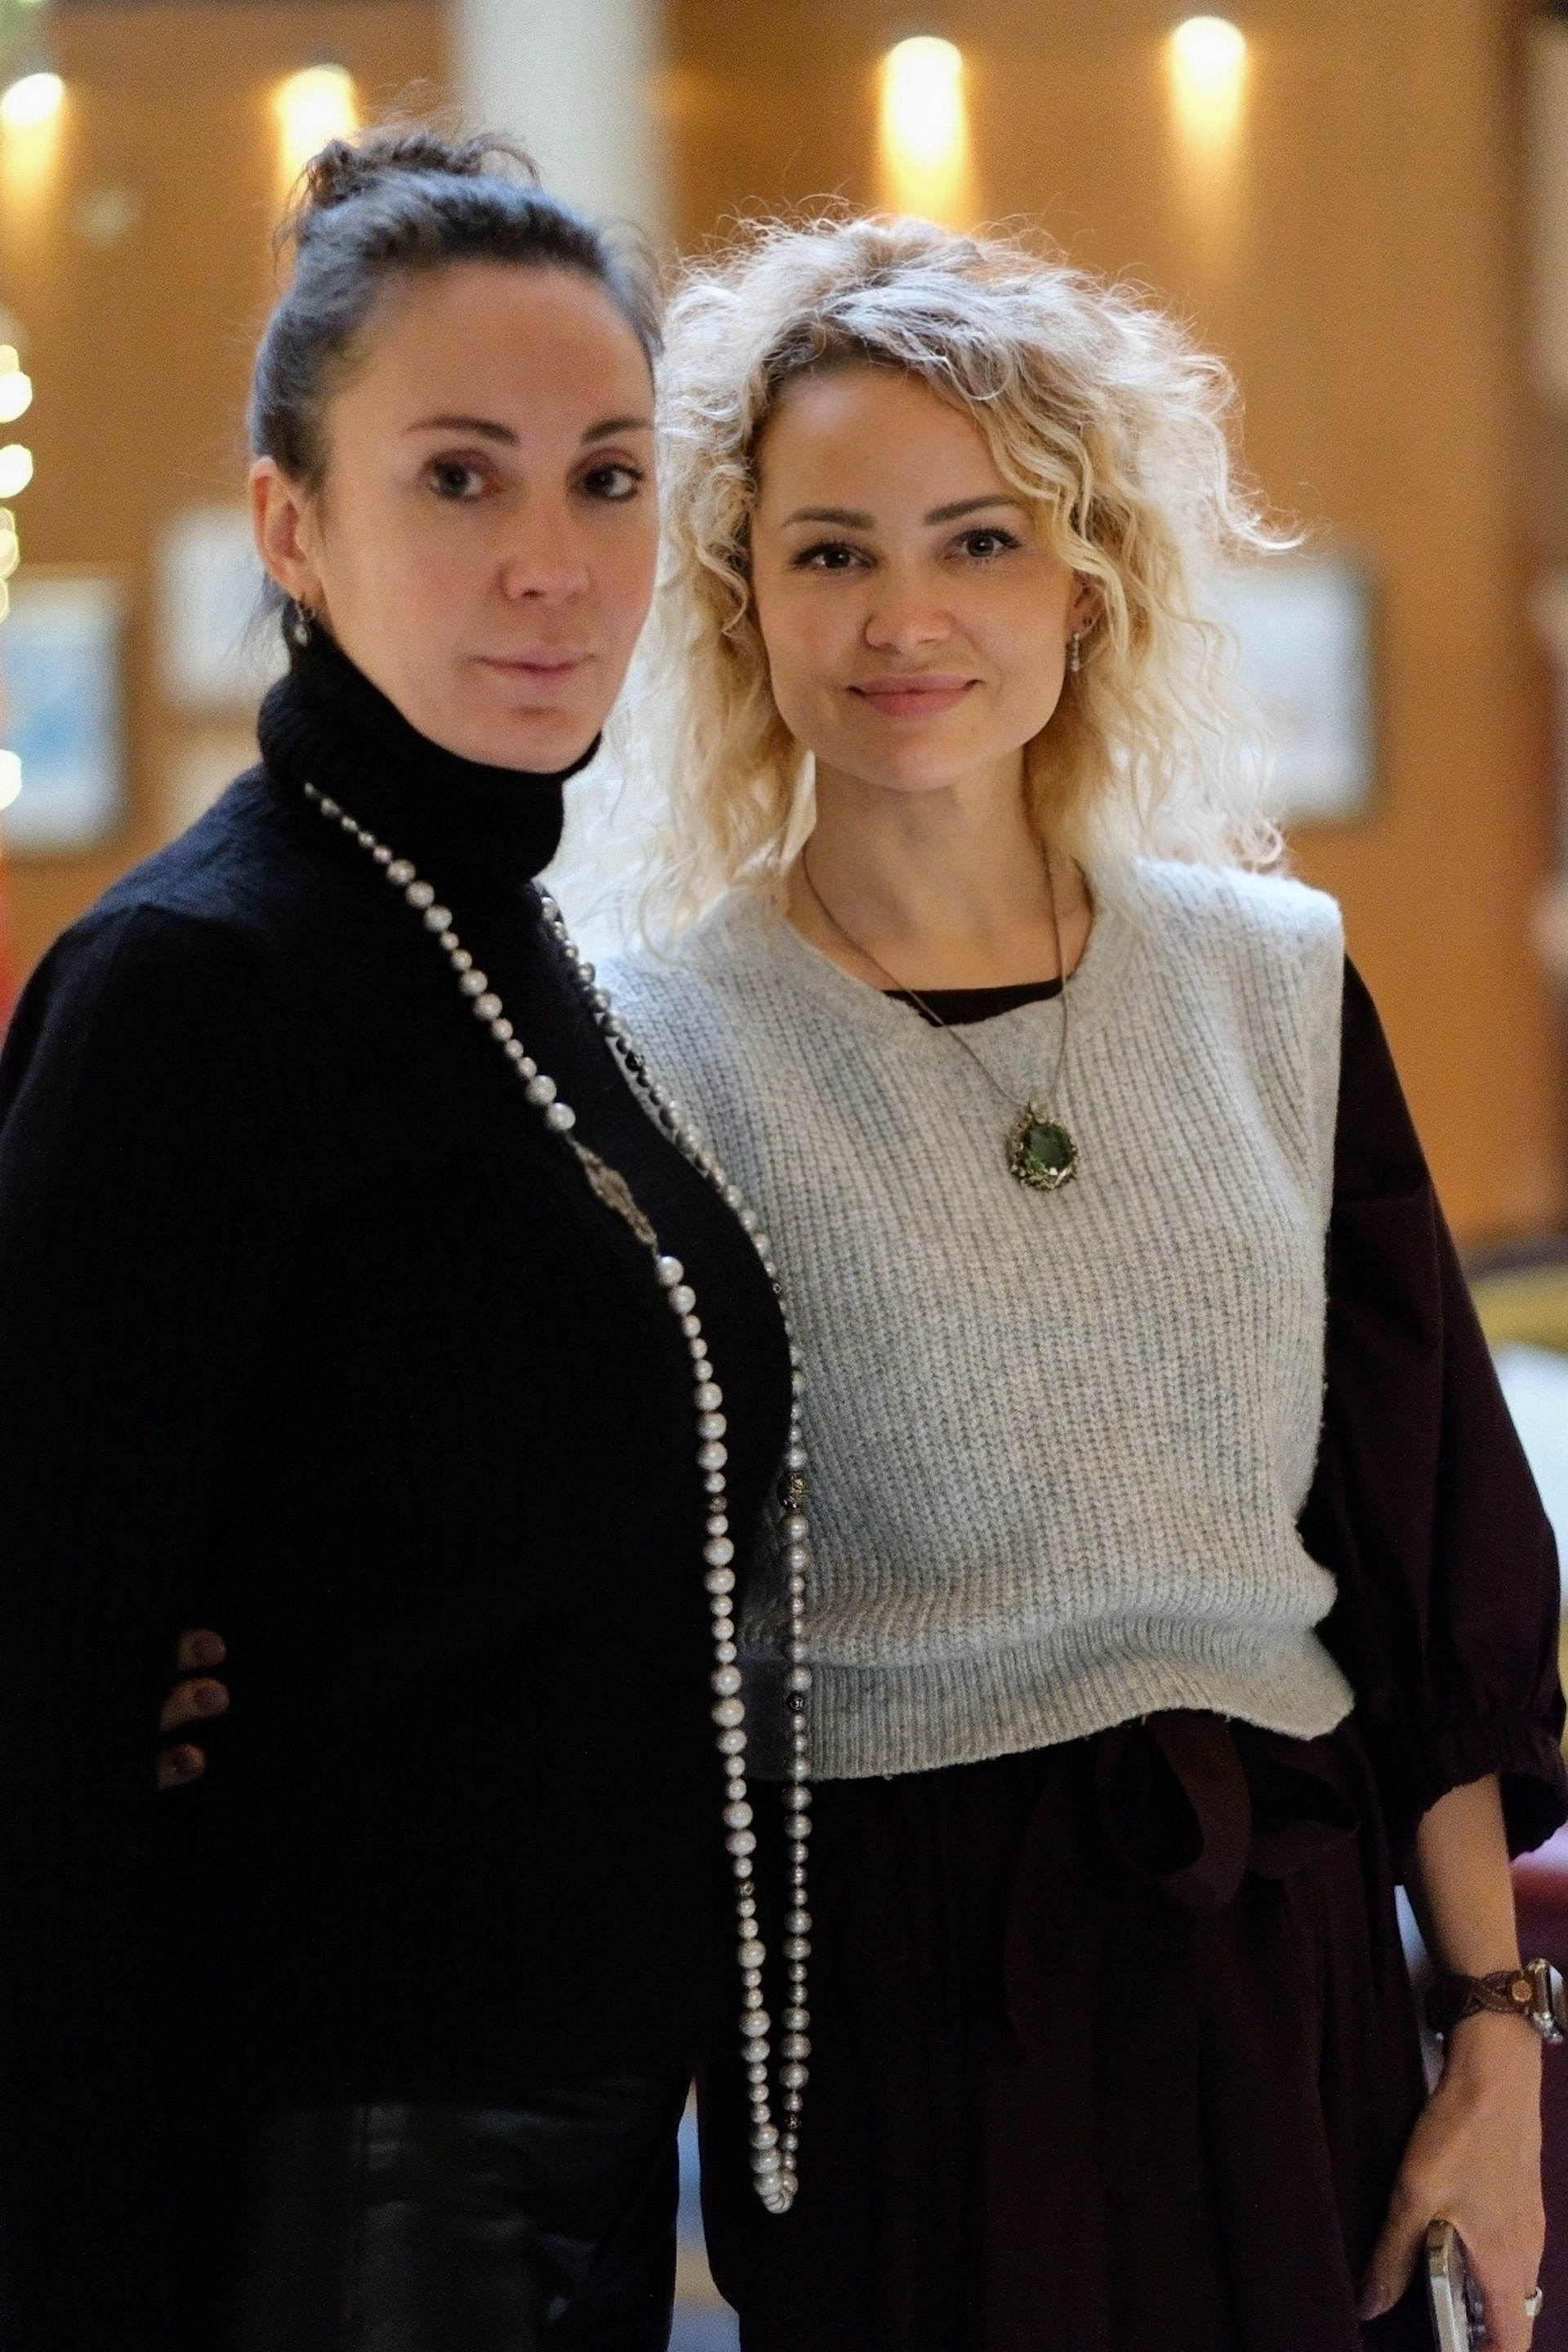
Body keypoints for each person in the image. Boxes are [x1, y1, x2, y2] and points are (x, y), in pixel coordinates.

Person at [583, 216, 1565, 2351]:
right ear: (739, 594)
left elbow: (1417, 1552)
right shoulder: (650, 1050)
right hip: (896, 2004)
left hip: (1283, 1964)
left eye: (981, 539)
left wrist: (1497, 2033)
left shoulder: (1273, 985)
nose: (906, 616)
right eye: (831, 550)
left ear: (1087, 582)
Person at [0, 129, 799, 2350]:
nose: (551, 561)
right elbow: (40, 1697)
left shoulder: (513, 949)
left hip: (581, 2123)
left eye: (607, 478)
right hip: (345, 2156)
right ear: (293, 526)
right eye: (460, 478)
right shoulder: (202, 978)